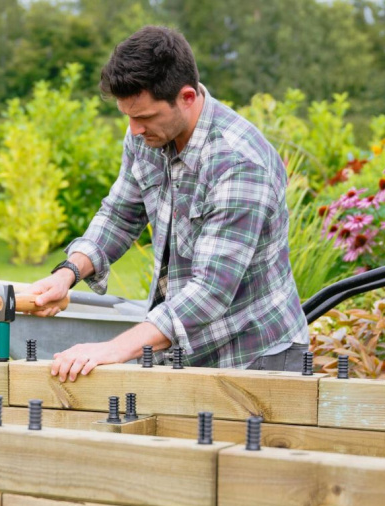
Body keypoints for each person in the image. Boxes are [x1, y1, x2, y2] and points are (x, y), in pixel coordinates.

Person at [26, 25, 309, 382]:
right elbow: (119, 214)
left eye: (143, 117)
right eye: (127, 116)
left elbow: (211, 290)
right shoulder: (148, 137)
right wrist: (68, 273)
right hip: (187, 354)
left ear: (187, 97)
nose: (134, 131)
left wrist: (113, 349)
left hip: (256, 358)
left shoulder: (238, 164)